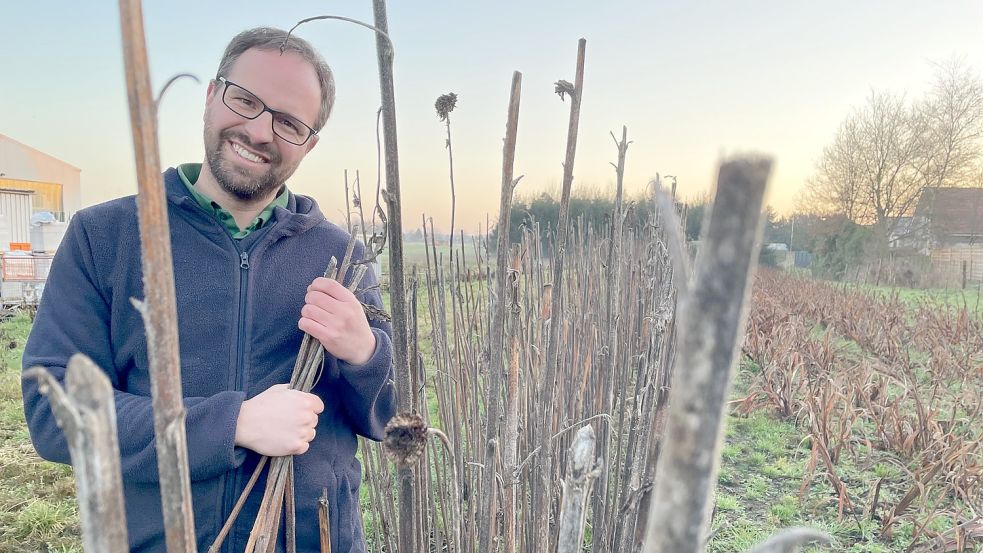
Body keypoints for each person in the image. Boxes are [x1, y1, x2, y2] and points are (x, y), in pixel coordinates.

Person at [21, 27, 395, 553]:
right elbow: (54, 410)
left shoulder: (342, 258)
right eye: (244, 99)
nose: (259, 130)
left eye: (288, 123)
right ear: (211, 96)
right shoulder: (106, 237)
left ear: (309, 144)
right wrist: (231, 423)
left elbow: (386, 417)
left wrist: (365, 353)